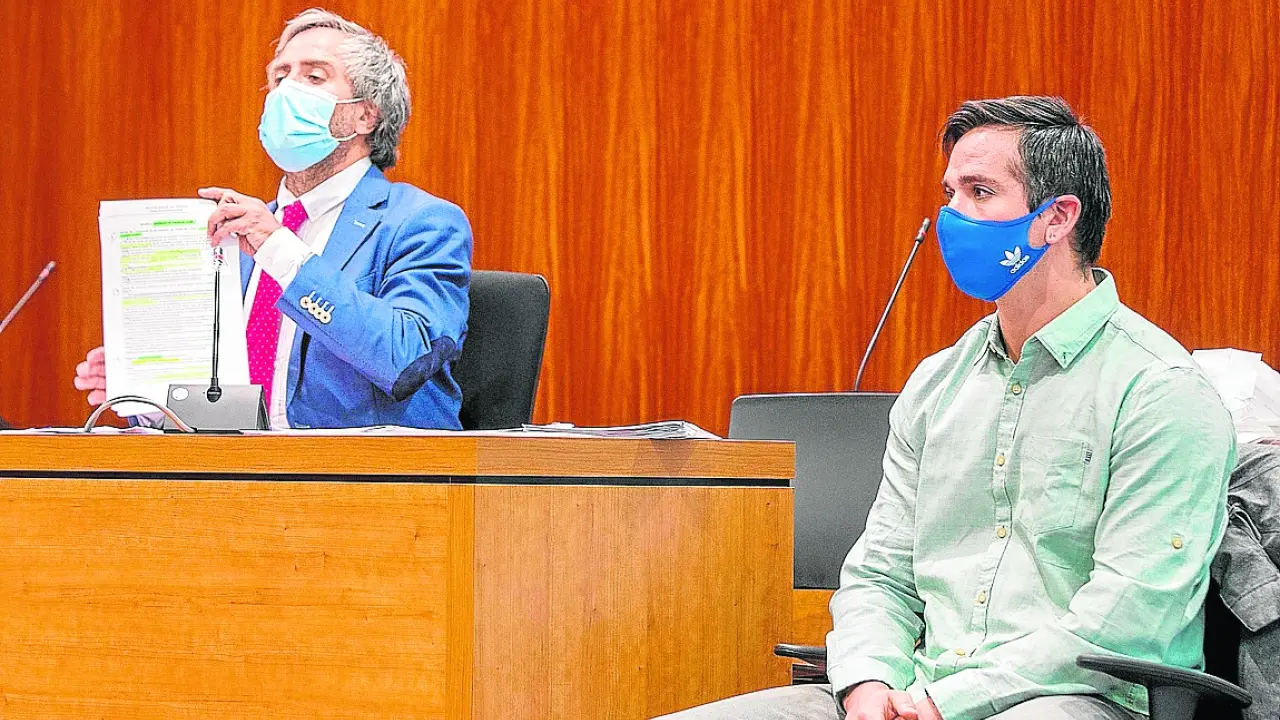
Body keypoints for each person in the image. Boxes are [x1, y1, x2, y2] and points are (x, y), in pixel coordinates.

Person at [660, 96, 1235, 720]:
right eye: (950, 192)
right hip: (915, 691)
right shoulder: (937, 383)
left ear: (1058, 217)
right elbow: (880, 574)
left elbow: (1129, 617)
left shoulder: (1161, 391)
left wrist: (944, 703)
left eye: (980, 192)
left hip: (1078, 697)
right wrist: (868, 684)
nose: (951, 215)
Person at [74, 9, 472, 429]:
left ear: (365, 115)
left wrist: (280, 249)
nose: (286, 92)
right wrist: (153, 397)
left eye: (314, 76)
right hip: (243, 465)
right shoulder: (235, 239)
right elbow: (233, 408)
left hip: (365, 466)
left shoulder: (422, 223)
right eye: (280, 76)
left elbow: (406, 358)